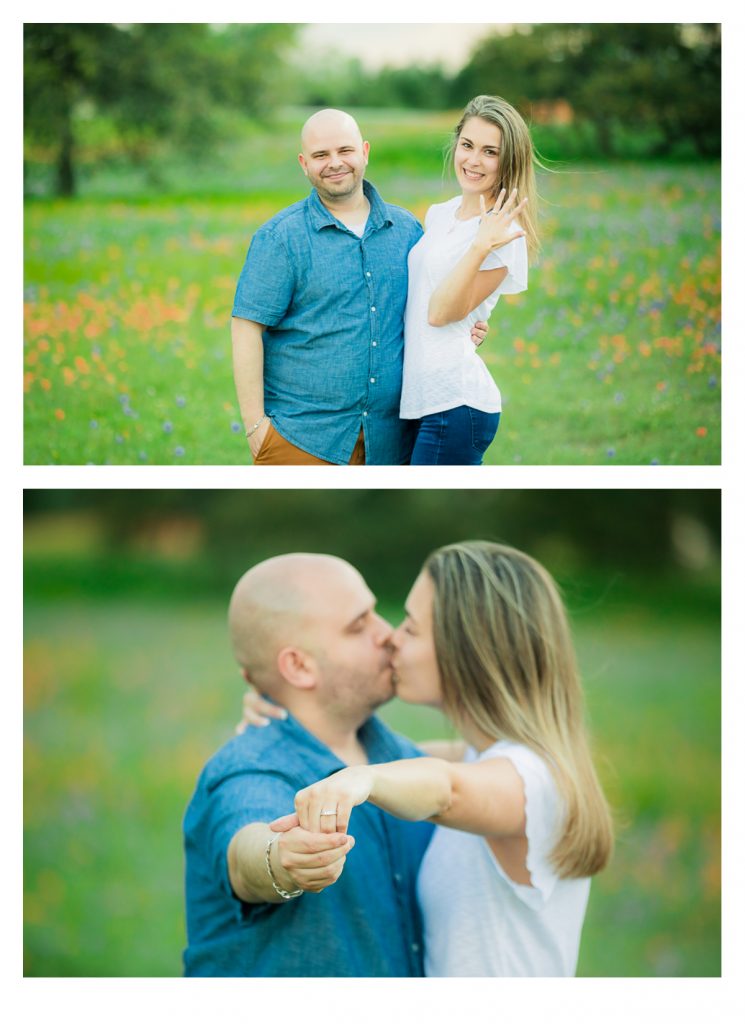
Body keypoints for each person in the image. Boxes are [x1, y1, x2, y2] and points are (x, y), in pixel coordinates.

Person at [246, 542, 614, 976]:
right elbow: (404, 760)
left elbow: (445, 789)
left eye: (413, 629)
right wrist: (285, 704)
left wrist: (361, 779)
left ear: (470, 650)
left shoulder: (535, 780)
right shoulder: (483, 759)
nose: (392, 638)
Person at [182, 553, 433, 976]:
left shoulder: (396, 755)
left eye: (375, 613)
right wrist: (283, 860)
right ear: (298, 666)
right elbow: (247, 850)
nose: (388, 635)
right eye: (360, 625)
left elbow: (491, 765)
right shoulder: (249, 768)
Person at [231, 108, 488, 466]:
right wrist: (256, 427)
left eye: (345, 150)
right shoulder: (281, 238)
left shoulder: (407, 231)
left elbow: (431, 308)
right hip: (302, 440)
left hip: (393, 442)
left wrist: (462, 328)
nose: (334, 163)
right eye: (321, 155)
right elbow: (246, 326)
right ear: (304, 164)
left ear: (365, 152)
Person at [401, 95, 539, 465]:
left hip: (456, 403)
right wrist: (473, 326)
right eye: (467, 145)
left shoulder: (505, 234)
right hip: (419, 398)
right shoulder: (440, 214)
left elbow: (440, 312)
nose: (474, 161)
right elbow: (425, 295)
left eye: (490, 152)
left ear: (508, 162)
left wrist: (479, 245)